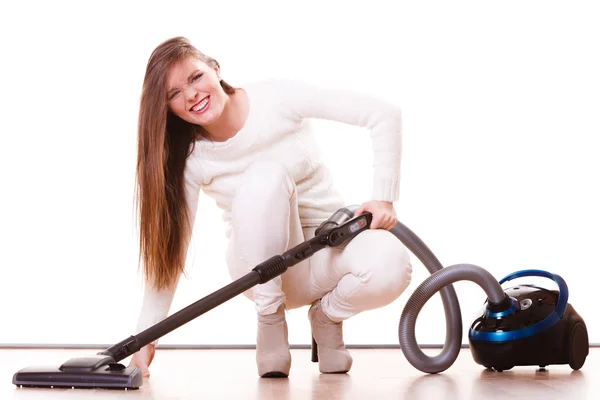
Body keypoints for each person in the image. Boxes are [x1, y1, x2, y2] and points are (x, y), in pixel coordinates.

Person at [129, 36, 413, 378]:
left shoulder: (276, 97)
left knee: (391, 265)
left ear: (215, 69)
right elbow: (169, 256)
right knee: (265, 176)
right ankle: (270, 320)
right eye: (174, 94)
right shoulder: (191, 158)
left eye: (195, 77)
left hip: (328, 247)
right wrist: (144, 340)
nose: (190, 94)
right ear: (168, 108)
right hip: (260, 271)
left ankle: (326, 317)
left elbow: (383, 114)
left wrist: (384, 197)